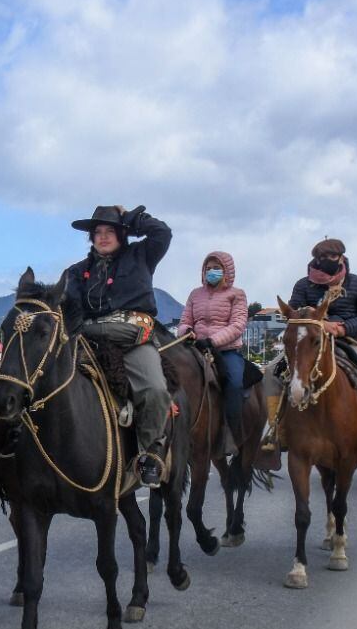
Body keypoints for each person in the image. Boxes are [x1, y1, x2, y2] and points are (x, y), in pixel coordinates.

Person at [63, 205, 173, 488]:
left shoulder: (141, 255)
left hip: (134, 339)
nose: (102, 237)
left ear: (122, 234)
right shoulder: (76, 272)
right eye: (97, 232)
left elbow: (162, 233)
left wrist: (132, 219)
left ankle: (151, 454)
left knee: (155, 389)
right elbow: (71, 311)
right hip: (90, 340)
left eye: (110, 231)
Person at [261, 238, 357, 457]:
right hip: (310, 341)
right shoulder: (303, 285)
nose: (325, 261)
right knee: (270, 372)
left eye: (331, 257)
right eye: (321, 258)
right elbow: (293, 315)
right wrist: (317, 322)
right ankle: (277, 431)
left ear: (341, 258)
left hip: (347, 340)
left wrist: (344, 328)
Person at [174, 251, 249, 444]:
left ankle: (232, 434)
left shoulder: (237, 295)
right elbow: (184, 321)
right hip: (196, 347)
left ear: (227, 271)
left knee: (234, 383)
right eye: (208, 268)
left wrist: (212, 341)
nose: (211, 271)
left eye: (216, 268)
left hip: (226, 351)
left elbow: (238, 325)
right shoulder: (195, 294)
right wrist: (186, 331)